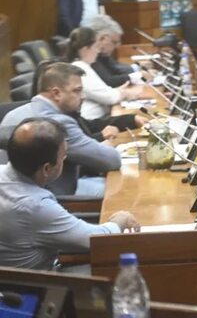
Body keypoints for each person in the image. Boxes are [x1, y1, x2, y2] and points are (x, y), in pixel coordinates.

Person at [0, 118, 139, 271]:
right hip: (36, 288)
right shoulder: (35, 206)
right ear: (47, 169)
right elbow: (95, 239)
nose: (64, 160)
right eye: (63, 156)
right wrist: (120, 221)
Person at [1, 62, 122, 197]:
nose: (83, 96)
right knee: (122, 188)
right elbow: (111, 161)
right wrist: (107, 146)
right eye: (77, 90)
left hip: (11, 199)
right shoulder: (57, 123)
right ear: (56, 93)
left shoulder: (14, 113)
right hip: (51, 200)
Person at [67, 27, 143, 120]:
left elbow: (105, 92)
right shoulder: (79, 68)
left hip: (100, 117)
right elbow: (109, 97)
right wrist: (125, 93)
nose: (98, 51)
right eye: (96, 47)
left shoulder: (84, 65)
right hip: (93, 121)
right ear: (85, 49)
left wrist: (118, 91)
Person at [89, 15, 145, 87]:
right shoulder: (89, 53)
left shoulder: (102, 54)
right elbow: (108, 81)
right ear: (102, 38)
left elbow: (116, 69)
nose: (117, 46)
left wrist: (138, 69)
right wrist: (137, 76)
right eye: (114, 42)